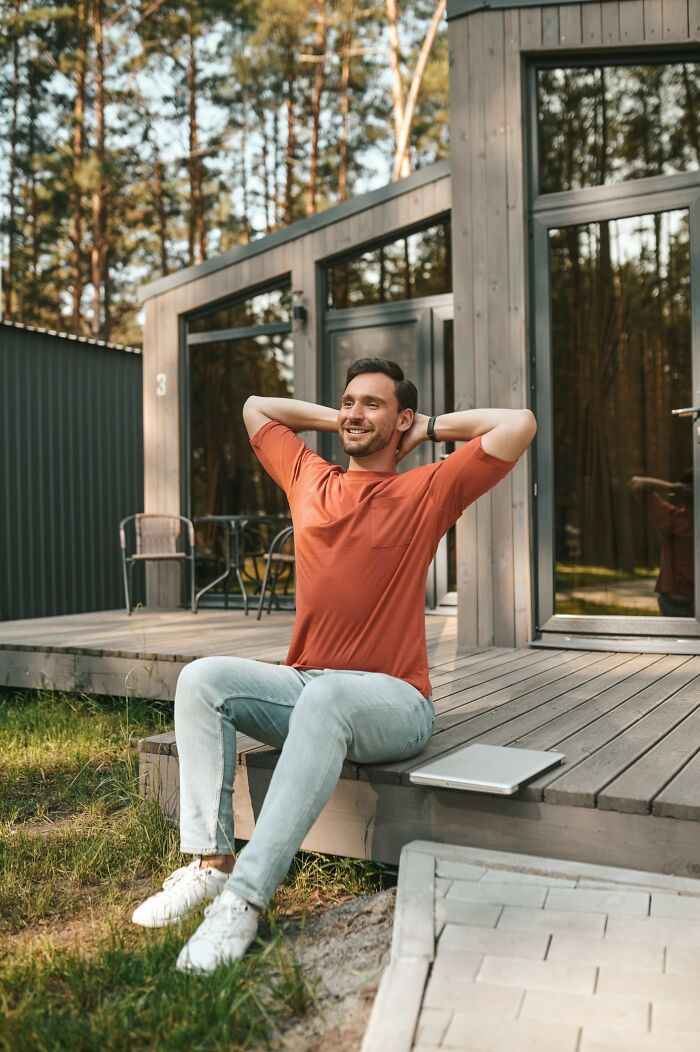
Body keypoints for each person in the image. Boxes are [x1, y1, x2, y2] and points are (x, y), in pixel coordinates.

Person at [132, 357, 537, 973]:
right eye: (349, 401)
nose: (354, 412)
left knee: (326, 700)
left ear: (401, 418)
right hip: (308, 683)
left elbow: (519, 423)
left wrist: (423, 429)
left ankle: (243, 902)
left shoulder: (426, 490)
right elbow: (254, 408)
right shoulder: (307, 476)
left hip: (395, 701)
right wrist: (346, 419)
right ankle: (212, 865)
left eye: (372, 404)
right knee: (201, 680)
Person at [629, 472, 694, 617]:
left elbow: (637, 484)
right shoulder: (672, 518)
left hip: (675, 600)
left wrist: (673, 488)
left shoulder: (671, 519)